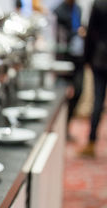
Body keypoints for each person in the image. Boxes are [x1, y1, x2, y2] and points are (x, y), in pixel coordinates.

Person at [54, 0, 85, 141]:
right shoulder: (59, 11)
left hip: (79, 58)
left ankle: (66, 125)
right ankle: (60, 128)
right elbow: (59, 37)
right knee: (62, 94)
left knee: (78, 91)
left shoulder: (78, 8)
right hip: (64, 58)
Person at [80, 0, 107, 157]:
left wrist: (86, 58)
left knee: (98, 101)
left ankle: (91, 142)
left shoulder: (99, 4)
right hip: (100, 58)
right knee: (97, 102)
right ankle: (90, 142)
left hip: (100, 58)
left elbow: (91, 33)